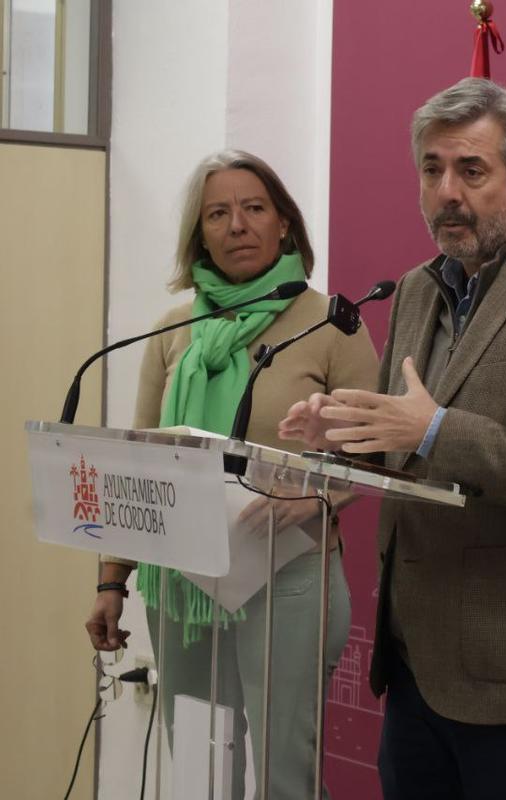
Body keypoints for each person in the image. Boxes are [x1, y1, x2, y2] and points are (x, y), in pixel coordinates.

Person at [278, 78, 506, 800]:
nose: (447, 192)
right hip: (416, 662)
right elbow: (402, 443)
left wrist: (439, 430)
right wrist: (341, 436)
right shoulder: (415, 289)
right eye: (432, 169)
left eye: (472, 171)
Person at [84, 150, 379, 799]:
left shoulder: (331, 322)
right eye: (218, 213)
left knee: (284, 778)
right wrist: (111, 581)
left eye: (253, 208)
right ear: (200, 233)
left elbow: (373, 454)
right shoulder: (175, 331)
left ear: (283, 223)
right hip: (183, 580)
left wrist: (318, 494)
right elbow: (139, 463)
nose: (237, 225)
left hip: (289, 573)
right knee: (199, 773)